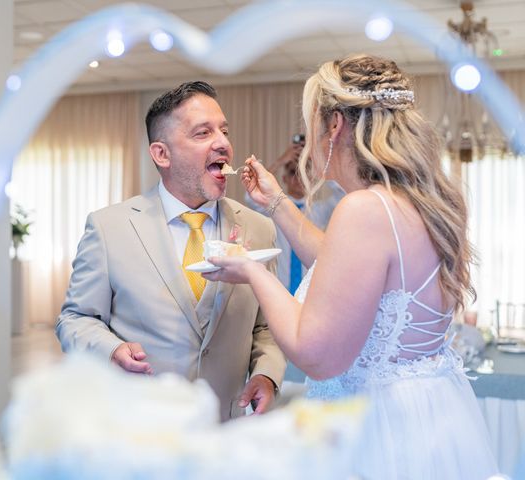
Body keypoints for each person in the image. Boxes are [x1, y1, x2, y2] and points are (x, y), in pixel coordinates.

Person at [203, 55, 499, 478]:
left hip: (376, 432)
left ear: (335, 125)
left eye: (313, 124)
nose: (311, 137)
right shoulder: (422, 202)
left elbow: (316, 354)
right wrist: (276, 203)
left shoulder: (364, 209)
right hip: (428, 420)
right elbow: (343, 268)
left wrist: (250, 270)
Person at [55, 81, 286, 421]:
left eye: (224, 131)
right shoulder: (109, 228)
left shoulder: (259, 227)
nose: (223, 143)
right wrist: (112, 349)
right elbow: (75, 319)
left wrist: (267, 374)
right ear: (161, 154)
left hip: (227, 428)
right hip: (139, 427)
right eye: (202, 133)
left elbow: (267, 326)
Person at [245, 139, 344, 294]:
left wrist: (320, 163)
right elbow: (251, 195)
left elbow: (342, 194)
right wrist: (281, 160)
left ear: (310, 178)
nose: (298, 178)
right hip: (278, 288)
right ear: (284, 178)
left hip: (311, 290)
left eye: (303, 172)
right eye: (293, 172)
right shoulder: (272, 207)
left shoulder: (319, 210)